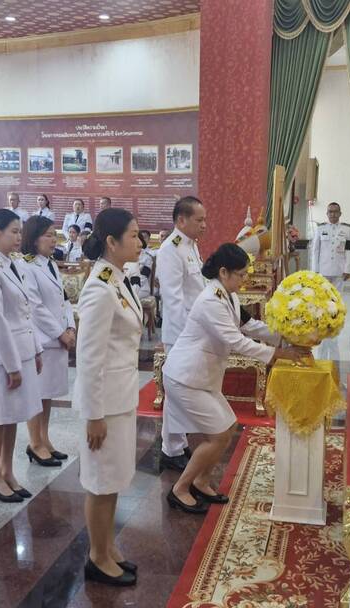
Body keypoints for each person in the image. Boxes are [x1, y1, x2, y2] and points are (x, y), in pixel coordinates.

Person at [163, 244, 305, 513]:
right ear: (224, 271)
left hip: (201, 377)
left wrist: (287, 334)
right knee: (217, 435)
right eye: (240, 275)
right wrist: (278, 353)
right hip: (185, 377)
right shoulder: (209, 300)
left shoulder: (227, 294)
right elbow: (236, 340)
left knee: (227, 428)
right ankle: (180, 489)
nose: (244, 280)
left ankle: (202, 481)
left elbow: (249, 326)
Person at [74, 208, 143, 586]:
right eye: (132, 236)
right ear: (111, 242)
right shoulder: (99, 288)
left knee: (113, 477)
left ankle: (107, 545)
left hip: (121, 396)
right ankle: (97, 557)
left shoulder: (116, 277)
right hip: (105, 404)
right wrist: (94, 414)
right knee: (100, 481)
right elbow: (89, 358)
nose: (139, 242)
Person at [0, 209, 43, 503]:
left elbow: (27, 312)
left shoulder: (12, 264)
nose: (19, 237)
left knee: (14, 415)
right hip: (4, 355)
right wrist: (13, 366)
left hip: (23, 348)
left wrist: (37, 349)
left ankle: (8, 471)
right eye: (13, 231)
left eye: (20, 231)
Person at [155, 195, 207, 471]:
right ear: (181, 220)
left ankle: (177, 442)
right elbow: (173, 299)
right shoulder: (170, 249)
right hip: (180, 333)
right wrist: (188, 336)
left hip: (193, 331)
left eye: (204, 219)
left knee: (184, 390)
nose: (204, 225)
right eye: (199, 220)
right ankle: (170, 448)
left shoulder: (190, 245)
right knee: (177, 391)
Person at [19, 216, 75, 467]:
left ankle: (45, 439)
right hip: (44, 339)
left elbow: (64, 299)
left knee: (48, 394)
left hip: (59, 337)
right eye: (48, 235)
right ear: (33, 238)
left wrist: (71, 326)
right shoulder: (27, 266)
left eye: (55, 235)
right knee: (37, 394)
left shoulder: (50, 264)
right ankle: (35, 443)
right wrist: (59, 333)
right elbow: (36, 306)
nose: (54, 240)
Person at [311, 202, 350, 291]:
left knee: (337, 297)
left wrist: (347, 269)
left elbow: (349, 250)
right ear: (327, 213)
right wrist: (315, 269)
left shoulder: (347, 229)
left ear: (340, 213)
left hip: (339, 269)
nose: (333, 214)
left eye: (336, 212)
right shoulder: (320, 228)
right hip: (323, 269)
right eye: (330, 212)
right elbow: (315, 250)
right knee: (323, 296)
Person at [132, 230, 156, 299]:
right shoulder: (126, 255)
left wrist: (131, 290)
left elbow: (143, 277)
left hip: (141, 289)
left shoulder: (147, 257)